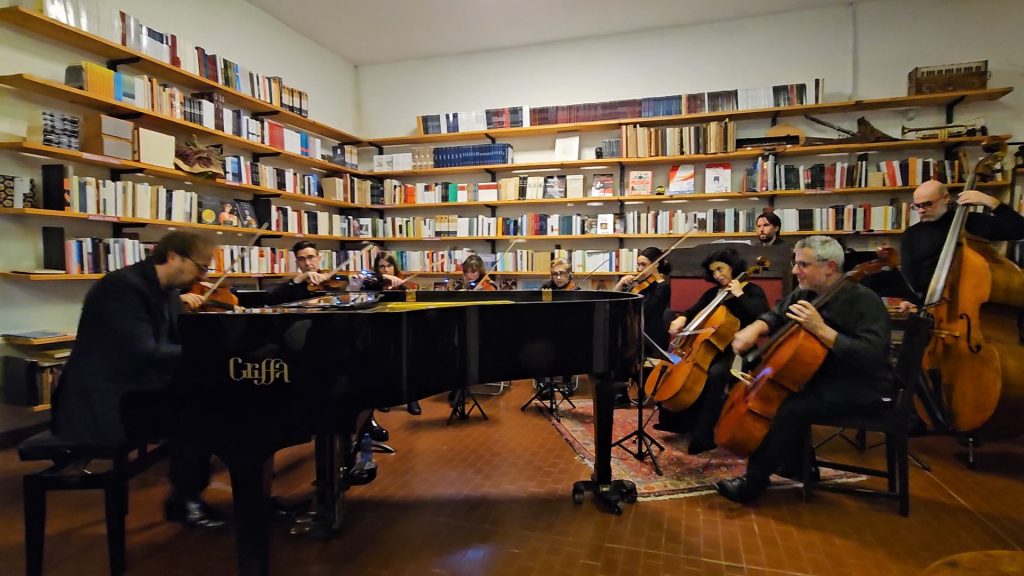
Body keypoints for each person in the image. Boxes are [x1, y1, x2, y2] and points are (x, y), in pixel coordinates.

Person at [52, 231, 225, 529]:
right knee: (198, 411)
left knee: (208, 400)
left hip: (136, 389)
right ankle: (185, 500)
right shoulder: (121, 287)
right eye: (201, 267)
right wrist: (207, 354)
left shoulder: (167, 291)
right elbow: (143, 352)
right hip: (104, 399)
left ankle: (189, 495)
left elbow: (179, 340)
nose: (203, 276)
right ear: (173, 257)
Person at [715, 236, 891, 505]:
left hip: (860, 385)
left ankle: (752, 485)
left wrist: (821, 329)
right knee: (786, 393)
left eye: (803, 265)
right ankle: (801, 466)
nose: (795, 271)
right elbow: (777, 314)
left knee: (789, 407)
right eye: (795, 263)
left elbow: (871, 355)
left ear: (830, 267)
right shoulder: (805, 293)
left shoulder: (865, 301)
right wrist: (755, 328)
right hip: (819, 378)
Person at [657, 248, 770, 454]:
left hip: (737, 349)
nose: (717, 275)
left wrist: (740, 295)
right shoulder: (713, 293)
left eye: (720, 269)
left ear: (733, 267)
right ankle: (679, 423)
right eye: (713, 271)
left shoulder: (751, 290)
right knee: (677, 366)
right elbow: (694, 310)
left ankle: (704, 435)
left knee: (715, 374)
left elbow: (762, 315)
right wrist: (682, 318)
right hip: (710, 347)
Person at [898, 180, 1024, 310]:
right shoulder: (911, 234)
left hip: (970, 307)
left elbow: (1019, 229)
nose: (921, 210)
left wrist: (991, 202)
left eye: (927, 204)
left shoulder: (970, 222)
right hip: (929, 308)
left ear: (945, 198)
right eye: (917, 206)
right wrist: (909, 300)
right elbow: (909, 277)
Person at [372, 253, 421, 415]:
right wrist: (382, 279)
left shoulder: (403, 283)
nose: (386, 269)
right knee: (383, 362)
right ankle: (385, 397)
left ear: (394, 267)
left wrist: (403, 287)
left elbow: (413, 301)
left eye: (389, 266)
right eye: (382, 266)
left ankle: (412, 398)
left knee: (409, 360)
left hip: (402, 326)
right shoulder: (374, 283)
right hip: (380, 327)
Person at [614, 247, 672, 350]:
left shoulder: (663, 287)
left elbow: (644, 310)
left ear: (656, 264)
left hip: (652, 338)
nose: (639, 269)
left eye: (643, 264)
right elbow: (614, 300)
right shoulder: (641, 284)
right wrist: (621, 283)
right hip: (637, 335)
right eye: (638, 265)